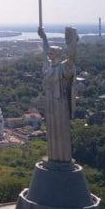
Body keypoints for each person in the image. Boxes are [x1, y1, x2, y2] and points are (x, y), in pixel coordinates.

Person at [38, 26, 78, 163]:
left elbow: (72, 57)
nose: (50, 53)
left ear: (58, 54)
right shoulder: (48, 67)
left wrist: (72, 40)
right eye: (50, 52)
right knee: (51, 129)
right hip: (50, 103)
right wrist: (44, 37)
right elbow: (45, 51)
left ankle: (64, 157)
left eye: (53, 52)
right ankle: (53, 157)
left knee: (61, 128)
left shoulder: (63, 67)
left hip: (60, 102)